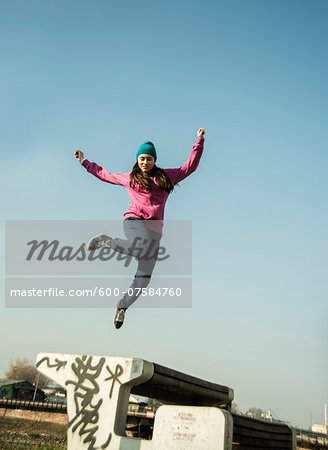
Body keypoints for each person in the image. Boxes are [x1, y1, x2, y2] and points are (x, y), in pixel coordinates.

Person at [75, 128, 205, 329]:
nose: (145, 162)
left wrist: (199, 142)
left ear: (154, 161)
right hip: (134, 220)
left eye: (149, 159)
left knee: (143, 279)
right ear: (138, 160)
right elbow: (104, 174)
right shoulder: (130, 178)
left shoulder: (166, 177)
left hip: (154, 231)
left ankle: (122, 306)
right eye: (142, 158)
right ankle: (105, 241)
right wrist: (85, 163)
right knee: (141, 247)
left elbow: (189, 168)